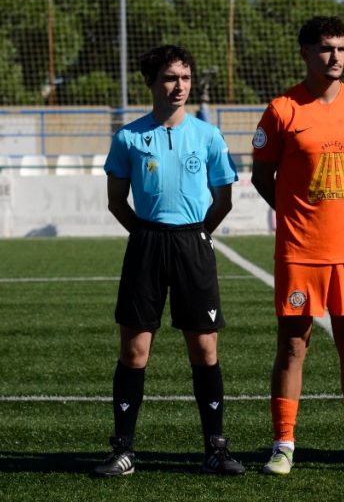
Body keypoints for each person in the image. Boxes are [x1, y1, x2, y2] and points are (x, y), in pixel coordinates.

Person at [94, 45, 244, 477]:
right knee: (135, 350)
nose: (178, 86)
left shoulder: (208, 135)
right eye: (169, 78)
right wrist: (146, 234)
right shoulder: (128, 137)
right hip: (146, 244)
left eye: (184, 77)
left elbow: (224, 199)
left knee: (204, 348)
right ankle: (123, 450)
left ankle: (215, 448)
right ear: (151, 83)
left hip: (193, 243)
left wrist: (197, 236)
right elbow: (116, 202)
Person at [251, 16, 344, 475]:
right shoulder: (282, 109)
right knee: (293, 345)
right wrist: (296, 214)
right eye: (327, 49)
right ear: (306, 52)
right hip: (299, 251)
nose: (336, 58)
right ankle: (283, 445)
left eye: (342, 49)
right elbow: (260, 176)